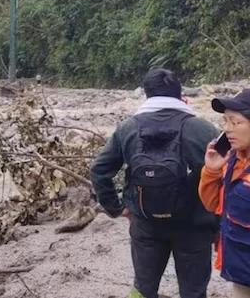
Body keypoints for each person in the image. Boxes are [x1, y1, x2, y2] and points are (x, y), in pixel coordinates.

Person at [91, 68, 218, 298]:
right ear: (180, 94)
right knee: (194, 292)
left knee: (143, 288)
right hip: (194, 225)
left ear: (146, 93)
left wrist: (117, 208)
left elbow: (99, 170)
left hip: (145, 223)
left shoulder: (128, 128)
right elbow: (225, 174)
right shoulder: (203, 129)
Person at [200, 88, 250, 297]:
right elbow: (212, 204)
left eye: (235, 122)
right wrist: (211, 170)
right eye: (225, 121)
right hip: (241, 271)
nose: (227, 129)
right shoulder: (233, 160)